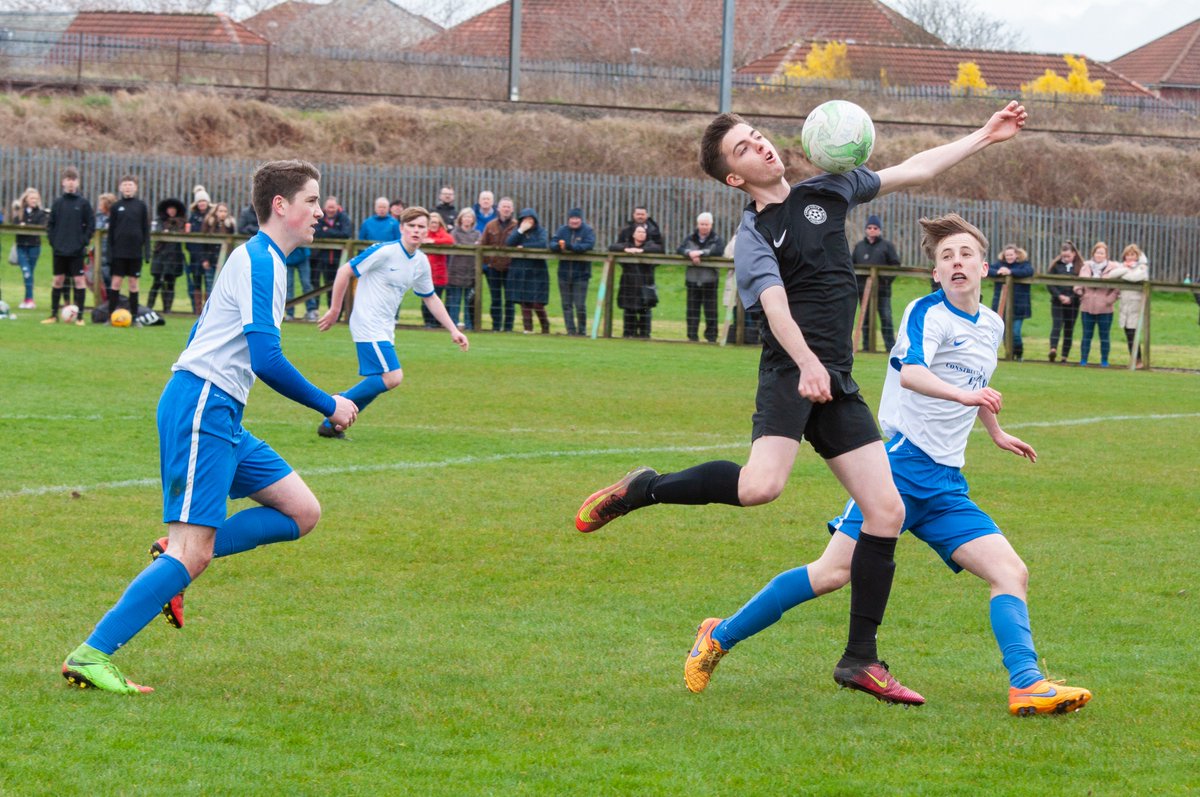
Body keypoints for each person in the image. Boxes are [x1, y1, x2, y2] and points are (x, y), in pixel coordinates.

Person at [574, 101, 1028, 705]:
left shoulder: (829, 191)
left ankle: (860, 660)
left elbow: (915, 169)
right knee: (762, 487)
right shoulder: (754, 233)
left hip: (836, 380)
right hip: (792, 372)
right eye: (743, 149)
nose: (760, 147)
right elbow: (774, 307)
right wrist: (809, 363)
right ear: (734, 178)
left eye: (758, 137)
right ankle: (645, 489)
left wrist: (985, 136)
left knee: (885, 513)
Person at [682, 213, 1092, 716]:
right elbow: (914, 372)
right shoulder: (927, 313)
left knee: (1010, 571)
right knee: (831, 573)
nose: (956, 262)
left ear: (985, 267)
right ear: (935, 274)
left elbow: (977, 384)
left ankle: (1027, 683)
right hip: (896, 470)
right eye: (946, 258)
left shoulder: (992, 324)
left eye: (965, 254)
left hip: (945, 483)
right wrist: (966, 396)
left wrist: (996, 430)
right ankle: (717, 636)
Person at [60, 159, 358, 695]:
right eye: (313, 200)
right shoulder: (260, 261)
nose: (321, 210)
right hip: (203, 408)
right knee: (192, 552)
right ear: (281, 206)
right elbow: (266, 358)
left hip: (217, 411)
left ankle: (172, 559)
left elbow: (206, 327)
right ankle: (91, 653)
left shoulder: (263, 260)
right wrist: (327, 404)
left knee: (301, 511)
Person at [316, 206, 467, 438]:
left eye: (421, 227)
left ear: (427, 231)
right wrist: (335, 309)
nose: (416, 231)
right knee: (392, 377)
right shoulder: (385, 252)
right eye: (412, 226)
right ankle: (337, 404)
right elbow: (344, 271)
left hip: (385, 327)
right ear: (402, 228)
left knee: (380, 380)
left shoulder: (420, 261)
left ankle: (333, 425)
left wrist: (453, 329)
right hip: (367, 322)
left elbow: (430, 297)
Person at [43, 166, 95, 325]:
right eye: (68, 180)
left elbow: (91, 225)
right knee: (58, 280)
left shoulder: (84, 203)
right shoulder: (58, 203)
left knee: (80, 282)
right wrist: (54, 242)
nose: (71, 183)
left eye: (73, 180)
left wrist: (83, 242)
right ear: (63, 183)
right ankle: (53, 315)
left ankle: (80, 317)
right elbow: (50, 225)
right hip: (59, 250)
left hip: (77, 250)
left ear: (77, 183)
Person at [852, 214, 901, 351]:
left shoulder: (887, 246)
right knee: (865, 319)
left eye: (875, 228)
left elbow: (895, 265)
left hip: (882, 291)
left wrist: (885, 281)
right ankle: (867, 347)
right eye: (869, 227)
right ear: (866, 229)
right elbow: (852, 265)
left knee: (886, 318)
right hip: (863, 291)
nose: (872, 230)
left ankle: (891, 348)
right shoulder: (859, 247)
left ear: (879, 230)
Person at [106, 175, 151, 321]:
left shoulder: (141, 206)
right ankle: (110, 315)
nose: (127, 188)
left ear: (135, 187)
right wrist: (109, 253)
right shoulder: (115, 207)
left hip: (135, 252)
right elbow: (111, 232)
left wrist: (147, 252)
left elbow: (146, 230)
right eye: (125, 185)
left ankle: (134, 316)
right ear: (120, 187)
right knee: (116, 283)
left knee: (133, 284)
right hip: (119, 252)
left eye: (130, 185)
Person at [677, 211, 725, 343]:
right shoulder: (690, 237)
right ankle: (692, 336)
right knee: (692, 310)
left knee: (711, 311)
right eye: (702, 224)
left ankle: (711, 337)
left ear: (711, 225)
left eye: (707, 224)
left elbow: (718, 250)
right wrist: (689, 253)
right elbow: (680, 249)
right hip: (692, 279)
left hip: (710, 280)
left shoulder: (716, 239)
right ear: (698, 224)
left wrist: (701, 253)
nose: (704, 227)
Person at [610, 223, 662, 338]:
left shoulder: (650, 245)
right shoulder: (627, 245)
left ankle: (644, 334)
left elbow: (658, 249)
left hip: (645, 283)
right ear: (633, 234)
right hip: (628, 283)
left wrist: (642, 251)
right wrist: (626, 249)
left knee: (645, 310)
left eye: (643, 232)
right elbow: (612, 247)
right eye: (639, 232)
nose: (641, 234)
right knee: (629, 310)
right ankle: (628, 333)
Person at [505, 207, 551, 334]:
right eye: (525, 219)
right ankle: (528, 328)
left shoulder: (541, 231)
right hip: (520, 270)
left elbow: (542, 244)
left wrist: (524, 246)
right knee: (524, 301)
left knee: (537, 303)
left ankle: (545, 326)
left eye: (530, 219)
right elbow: (509, 243)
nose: (527, 222)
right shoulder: (517, 231)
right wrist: (520, 231)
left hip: (537, 271)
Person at [552, 208, 596, 337]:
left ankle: (582, 330)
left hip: (581, 274)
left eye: (577, 218)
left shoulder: (588, 231)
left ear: (581, 219)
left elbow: (588, 245)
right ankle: (570, 330)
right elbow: (552, 242)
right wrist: (557, 247)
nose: (574, 221)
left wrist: (571, 247)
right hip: (564, 273)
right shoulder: (562, 230)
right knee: (566, 304)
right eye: (572, 218)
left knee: (580, 305)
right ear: (568, 219)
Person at [1075, 242, 1119, 367]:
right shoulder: (1086, 266)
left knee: (1104, 336)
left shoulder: (1113, 269)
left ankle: (1104, 360)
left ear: (1106, 255)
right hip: (1087, 307)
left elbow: (1117, 288)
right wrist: (1082, 294)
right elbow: (1078, 283)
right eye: (1097, 252)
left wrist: (1109, 300)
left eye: (1102, 253)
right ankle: (1083, 359)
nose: (1099, 255)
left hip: (1105, 309)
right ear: (1093, 253)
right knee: (1086, 335)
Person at [988, 244, 1034, 360]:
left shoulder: (1024, 265)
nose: (1009, 257)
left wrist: (1010, 271)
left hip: (1019, 305)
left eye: (1011, 254)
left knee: (1015, 333)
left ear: (1017, 255)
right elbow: (988, 269)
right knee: (1003, 332)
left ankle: (1019, 354)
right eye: (1007, 255)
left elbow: (1028, 271)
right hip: (1001, 304)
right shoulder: (999, 265)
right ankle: (1010, 355)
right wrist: (998, 271)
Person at [480, 196, 517, 331]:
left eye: (508, 206)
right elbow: (483, 245)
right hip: (493, 268)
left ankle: (508, 327)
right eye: (504, 206)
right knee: (495, 299)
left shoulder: (516, 226)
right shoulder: (490, 225)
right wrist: (487, 263)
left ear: (512, 209)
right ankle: (496, 326)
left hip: (510, 268)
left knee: (510, 299)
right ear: (498, 208)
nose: (506, 209)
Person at [1110, 244, 1149, 366]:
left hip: (1136, 305)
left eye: (1133, 254)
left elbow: (1135, 277)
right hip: (1124, 305)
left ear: (1137, 256)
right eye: (1128, 254)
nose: (1130, 257)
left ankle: (1138, 360)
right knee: (1128, 333)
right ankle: (1134, 359)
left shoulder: (1142, 267)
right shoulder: (1122, 266)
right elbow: (1111, 275)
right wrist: (1126, 269)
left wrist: (1123, 274)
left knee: (1133, 333)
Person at [311, 196, 352, 311]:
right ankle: (314, 311)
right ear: (325, 208)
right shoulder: (319, 216)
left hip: (339, 258)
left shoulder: (343, 217)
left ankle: (337, 312)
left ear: (337, 207)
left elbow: (346, 233)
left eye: (333, 207)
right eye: (329, 207)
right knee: (315, 285)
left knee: (337, 286)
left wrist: (327, 231)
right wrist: (334, 232)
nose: (331, 210)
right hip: (320, 257)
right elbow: (316, 232)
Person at [1046, 240, 1083, 363]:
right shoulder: (1055, 266)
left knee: (1069, 328)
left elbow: (1082, 285)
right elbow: (1050, 284)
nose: (1066, 258)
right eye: (1063, 256)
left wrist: (1071, 298)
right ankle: (1053, 349)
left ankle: (1064, 356)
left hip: (1073, 303)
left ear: (1074, 254)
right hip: (1057, 301)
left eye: (1068, 256)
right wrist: (1059, 295)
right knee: (1057, 325)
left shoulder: (1080, 267)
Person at [148, 197, 187, 314]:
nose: (171, 211)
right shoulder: (159, 221)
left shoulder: (182, 222)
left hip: (174, 255)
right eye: (169, 209)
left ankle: (167, 309)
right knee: (157, 282)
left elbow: (182, 235)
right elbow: (158, 233)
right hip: (160, 255)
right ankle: (149, 307)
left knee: (171, 283)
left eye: (173, 209)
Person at [14, 187, 48, 310]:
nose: (34, 200)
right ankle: (29, 299)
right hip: (21, 245)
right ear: (26, 199)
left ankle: (28, 299)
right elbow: (15, 224)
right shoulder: (20, 212)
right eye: (31, 198)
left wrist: (28, 226)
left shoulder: (40, 213)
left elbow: (42, 225)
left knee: (30, 273)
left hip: (34, 246)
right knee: (26, 271)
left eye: (36, 198)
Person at [446, 208, 481, 330]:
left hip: (471, 271)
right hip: (456, 270)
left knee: (468, 301)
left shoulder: (477, 234)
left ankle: (469, 324)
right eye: (465, 217)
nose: (467, 219)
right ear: (460, 219)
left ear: (473, 220)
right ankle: (453, 324)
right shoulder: (454, 233)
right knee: (455, 300)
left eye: (469, 217)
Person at [420, 209, 454, 328]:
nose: (433, 225)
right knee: (425, 298)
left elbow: (450, 240)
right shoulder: (424, 233)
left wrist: (433, 241)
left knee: (437, 298)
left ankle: (437, 322)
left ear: (440, 224)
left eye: (436, 222)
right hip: (425, 272)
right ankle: (428, 322)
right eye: (431, 222)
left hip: (439, 273)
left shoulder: (442, 234)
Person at [186, 185, 215, 311]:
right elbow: (189, 235)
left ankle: (208, 307)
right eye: (199, 201)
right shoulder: (193, 217)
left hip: (209, 254)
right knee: (196, 281)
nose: (202, 203)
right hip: (194, 254)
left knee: (209, 282)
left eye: (203, 201)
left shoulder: (212, 216)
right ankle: (197, 308)